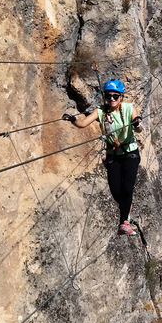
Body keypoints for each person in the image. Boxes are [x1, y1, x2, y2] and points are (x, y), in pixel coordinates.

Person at [63, 79, 143, 236]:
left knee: (127, 188)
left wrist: (136, 124)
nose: (111, 99)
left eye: (115, 96)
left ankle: (124, 223)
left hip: (130, 153)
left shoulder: (129, 108)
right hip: (113, 154)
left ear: (121, 96)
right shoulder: (100, 111)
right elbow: (83, 123)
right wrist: (72, 119)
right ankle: (127, 205)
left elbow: (139, 128)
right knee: (116, 191)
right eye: (108, 96)